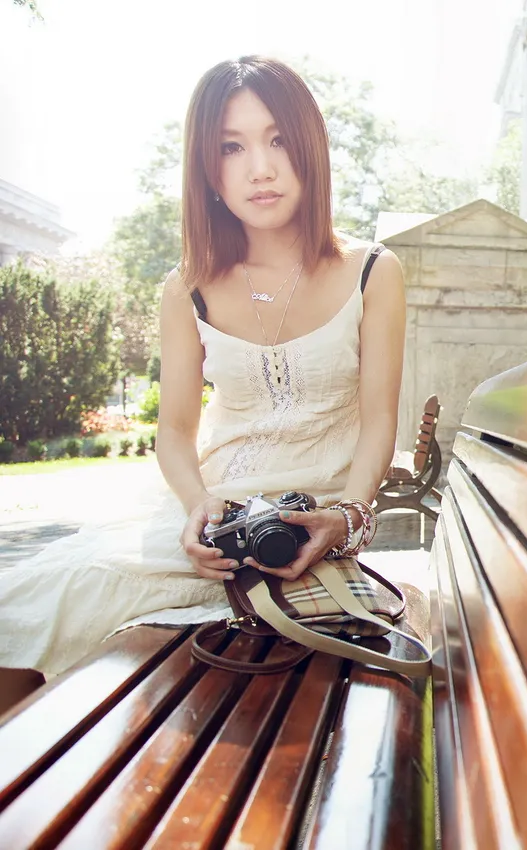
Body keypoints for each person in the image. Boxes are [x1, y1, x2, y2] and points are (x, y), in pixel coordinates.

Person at [0, 56, 406, 713]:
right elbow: (174, 432)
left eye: (278, 139)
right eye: (231, 147)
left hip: (308, 524)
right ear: (206, 168)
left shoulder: (374, 271)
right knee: (19, 610)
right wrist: (196, 507)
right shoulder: (186, 285)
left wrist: (347, 516)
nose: (260, 168)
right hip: (208, 524)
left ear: (311, 146)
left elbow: (380, 422)